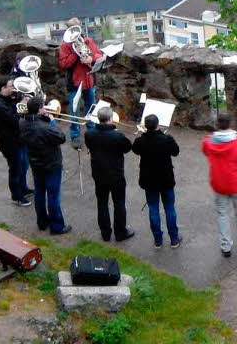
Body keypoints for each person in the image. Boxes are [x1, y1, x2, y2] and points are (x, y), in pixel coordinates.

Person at [202, 113, 237, 257]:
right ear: (230, 124)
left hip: (218, 183)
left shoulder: (208, 141)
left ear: (217, 124)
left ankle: (225, 246)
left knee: (222, 214)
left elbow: (206, 151)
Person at [19, 95, 71, 235]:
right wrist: (53, 121)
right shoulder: (45, 128)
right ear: (39, 109)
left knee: (40, 193)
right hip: (51, 164)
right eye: (43, 106)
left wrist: (44, 118)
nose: (46, 108)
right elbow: (61, 137)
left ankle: (42, 222)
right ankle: (57, 226)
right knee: (53, 196)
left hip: (35, 163)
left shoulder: (22, 122)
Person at [84, 106, 135, 243]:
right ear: (111, 119)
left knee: (102, 203)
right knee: (119, 203)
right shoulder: (117, 136)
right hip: (115, 175)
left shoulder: (89, 134)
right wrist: (115, 131)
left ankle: (105, 233)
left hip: (99, 174)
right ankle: (120, 232)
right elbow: (128, 147)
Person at [132, 114, 181, 249]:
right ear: (158, 125)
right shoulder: (166, 139)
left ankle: (158, 240)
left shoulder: (141, 141)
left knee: (153, 209)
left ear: (145, 126)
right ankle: (174, 239)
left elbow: (135, 149)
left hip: (149, 180)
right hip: (165, 179)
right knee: (170, 208)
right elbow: (176, 152)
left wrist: (142, 134)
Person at [57, 18, 104, 149]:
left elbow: (99, 55)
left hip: (89, 81)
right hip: (74, 83)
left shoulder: (88, 41)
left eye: (76, 29)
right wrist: (75, 53)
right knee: (74, 111)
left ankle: (92, 132)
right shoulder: (65, 46)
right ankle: (75, 135)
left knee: (91, 108)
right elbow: (63, 64)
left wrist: (91, 58)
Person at [0, 79, 33, 207]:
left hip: (18, 139)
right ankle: (16, 196)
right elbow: (14, 120)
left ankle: (23, 188)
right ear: (3, 88)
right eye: (11, 86)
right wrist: (23, 106)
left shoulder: (6, 98)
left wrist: (20, 100)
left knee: (24, 165)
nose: (14, 88)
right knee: (15, 169)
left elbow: (13, 107)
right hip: (9, 142)